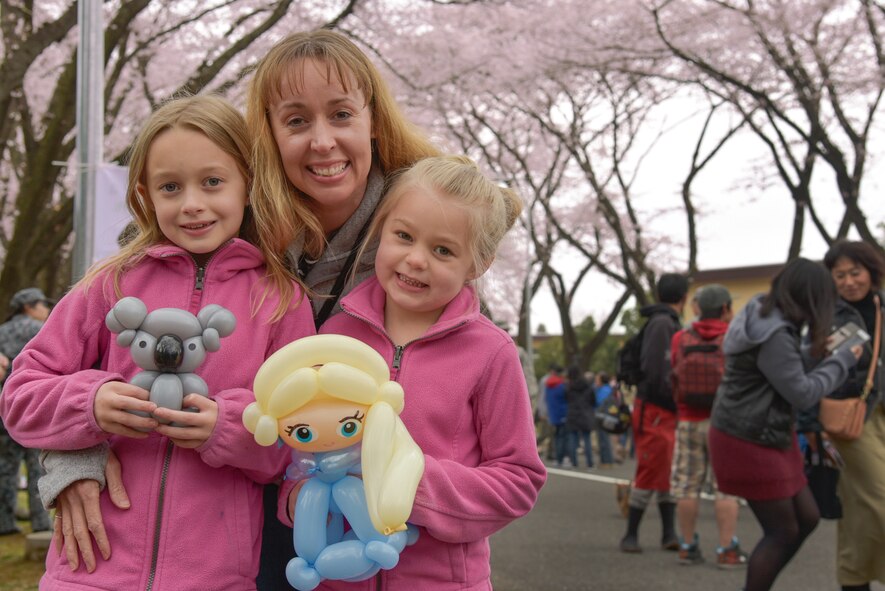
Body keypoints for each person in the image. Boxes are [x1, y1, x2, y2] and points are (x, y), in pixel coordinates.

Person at [40, 29, 444, 589]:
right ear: (267, 141)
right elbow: (55, 370)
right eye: (297, 120)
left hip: (379, 545)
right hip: (228, 547)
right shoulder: (175, 255)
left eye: (342, 114)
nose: (323, 142)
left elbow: (454, 388)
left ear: (373, 120)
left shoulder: (421, 243)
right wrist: (72, 450)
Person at [0, 95, 316, 589]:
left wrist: (228, 427)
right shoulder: (108, 284)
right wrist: (90, 402)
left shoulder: (279, 301)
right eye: (171, 186)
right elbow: (19, 398)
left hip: (216, 576)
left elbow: (298, 444)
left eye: (212, 181)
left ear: (248, 184)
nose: (191, 203)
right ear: (146, 195)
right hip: (88, 571)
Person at [290, 154, 545, 589]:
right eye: (403, 236)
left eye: (443, 250)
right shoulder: (336, 334)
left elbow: (519, 479)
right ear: (381, 231)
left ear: (478, 264)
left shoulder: (491, 352)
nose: (416, 259)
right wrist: (297, 495)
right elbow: (300, 441)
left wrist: (413, 484)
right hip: (338, 576)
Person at [708, 258, 861, 591]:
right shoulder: (775, 331)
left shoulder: (762, 311)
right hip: (749, 437)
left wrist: (814, 352)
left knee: (807, 517)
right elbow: (802, 393)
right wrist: (842, 362)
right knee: (782, 531)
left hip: (764, 431)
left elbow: (779, 365)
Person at [820, 240, 885, 591]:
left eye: (855, 272)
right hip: (852, 418)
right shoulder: (829, 314)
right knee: (880, 497)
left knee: (860, 507)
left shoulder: (881, 305)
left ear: (871, 271)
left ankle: (854, 581)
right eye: (840, 274)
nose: (849, 281)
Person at [669, 284, 747, 568]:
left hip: (688, 418)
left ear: (698, 308)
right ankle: (727, 549)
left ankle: (687, 546)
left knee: (687, 485)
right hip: (725, 422)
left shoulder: (681, 337)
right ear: (726, 309)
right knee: (725, 488)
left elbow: (674, 372)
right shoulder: (735, 337)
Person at [620, 273, 688, 553]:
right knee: (651, 466)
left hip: (658, 407)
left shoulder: (662, 321)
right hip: (657, 407)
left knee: (666, 467)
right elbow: (656, 369)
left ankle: (667, 533)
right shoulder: (663, 324)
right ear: (683, 298)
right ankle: (631, 534)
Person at [0, 288, 53, 536]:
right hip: (32, 408)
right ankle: (41, 521)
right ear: (29, 307)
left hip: (4, 410)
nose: (46, 309)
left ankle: (4, 521)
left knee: (5, 467)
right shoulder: (39, 330)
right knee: (37, 467)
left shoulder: (2, 331)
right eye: (42, 304)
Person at [565, 364, 596, 469]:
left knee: (573, 438)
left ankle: (574, 462)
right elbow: (593, 400)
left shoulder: (569, 386)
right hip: (585, 413)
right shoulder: (588, 385)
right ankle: (590, 463)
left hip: (573, 413)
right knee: (587, 439)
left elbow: (567, 399)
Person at [544, 365, 569, 467]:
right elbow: (566, 400)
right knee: (563, 437)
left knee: (556, 436)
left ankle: (557, 459)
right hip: (563, 414)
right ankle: (562, 458)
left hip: (552, 414)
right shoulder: (562, 385)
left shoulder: (548, 385)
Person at [593, 371, 615, 466]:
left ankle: (607, 461)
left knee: (604, 439)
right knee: (603, 439)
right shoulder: (607, 389)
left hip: (603, 418)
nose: (596, 381)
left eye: (597, 379)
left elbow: (598, 402)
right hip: (605, 417)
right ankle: (605, 460)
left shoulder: (604, 390)